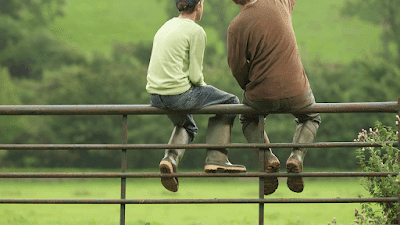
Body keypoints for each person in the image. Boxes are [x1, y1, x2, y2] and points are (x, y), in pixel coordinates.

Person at [146, 0, 246, 193]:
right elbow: (195, 75)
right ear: (199, 4)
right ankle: (216, 158)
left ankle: (170, 159)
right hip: (177, 94)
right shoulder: (196, 31)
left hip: (155, 94)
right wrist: (205, 91)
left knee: (187, 125)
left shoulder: (167, 25)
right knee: (231, 102)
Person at [227, 0, 322, 195]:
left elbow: (236, 65)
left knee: (247, 119)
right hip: (297, 90)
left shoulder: (236, 26)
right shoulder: (278, 2)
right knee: (311, 117)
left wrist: (248, 85)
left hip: (260, 94)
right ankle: (296, 156)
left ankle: (267, 158)